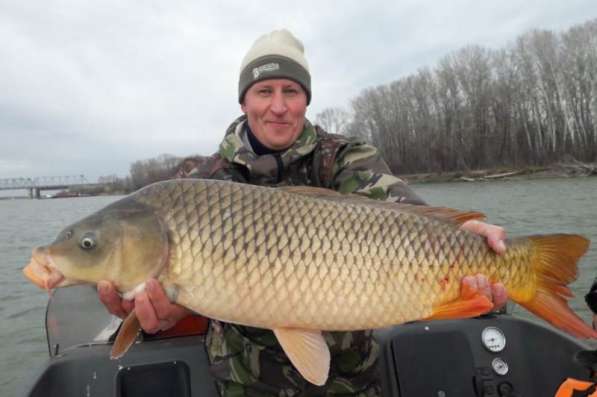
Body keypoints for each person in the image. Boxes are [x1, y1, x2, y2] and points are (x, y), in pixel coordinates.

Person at [98, 29, 508, 396]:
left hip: (351, 378)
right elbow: (187, 289)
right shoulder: (201, 182)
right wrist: (164, 313)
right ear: (244, 99)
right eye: (265, 91)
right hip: (246, 381)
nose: (278, 106)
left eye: (291, 92)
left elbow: (400, 209)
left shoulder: (346, 157)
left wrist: (464, 236)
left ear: (306, 100)